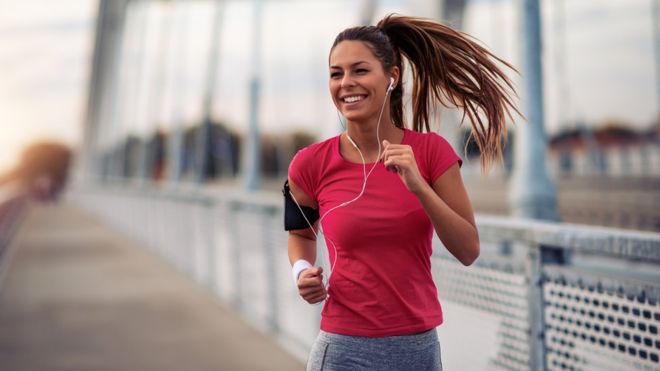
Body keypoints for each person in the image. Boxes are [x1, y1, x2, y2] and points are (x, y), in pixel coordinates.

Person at [284, 14, 519, 370]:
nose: (346, 83)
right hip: (342, 351)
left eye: (360, 71)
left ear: (391, 77)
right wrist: (301, 271)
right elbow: (300, 234)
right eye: (336, 73)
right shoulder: (308, 164)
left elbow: (468, 250)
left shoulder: (431, 153)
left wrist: (418, 186)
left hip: (417, 351)